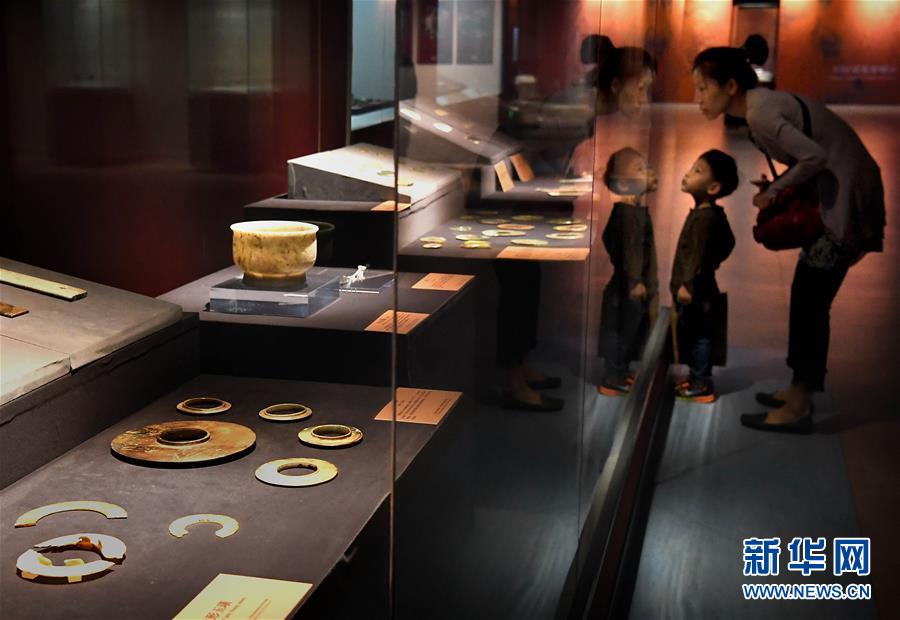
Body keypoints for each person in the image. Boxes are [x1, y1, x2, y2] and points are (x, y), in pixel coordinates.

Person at [691, 46, 885, 432]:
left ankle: (799, 404)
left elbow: (814, 156)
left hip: (844, 200)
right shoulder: (759, 107)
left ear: (730, 86)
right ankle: (799, 391)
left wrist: (776, 191)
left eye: (703, 88)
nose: (698, 98)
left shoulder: (760, 113)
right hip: (838, 194)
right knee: (807, 296)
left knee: (811, 301)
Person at [670, 150, 738, 403]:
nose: (688, 174)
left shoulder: (703, 218)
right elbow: (729, 242)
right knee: (698, 332)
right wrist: (713, 262)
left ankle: (701, 383)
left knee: (698, 335)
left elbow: (695, 255)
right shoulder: (713, 214)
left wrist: (687, 284)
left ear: (713, 187)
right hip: (704, 283)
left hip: (696, 288)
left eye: (697, 171)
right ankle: (697, 378)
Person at [598, 147, 659, 396]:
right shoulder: (628, 215)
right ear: (623, 184)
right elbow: (630, 250)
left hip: (629, 283)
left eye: (646, 167)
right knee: (621, 330)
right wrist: (635, 280)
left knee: (627, 329)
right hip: (627, 286)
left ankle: (619, 372)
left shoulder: (631, 212)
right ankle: (613, 377)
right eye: (640, 169)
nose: (649, 172)